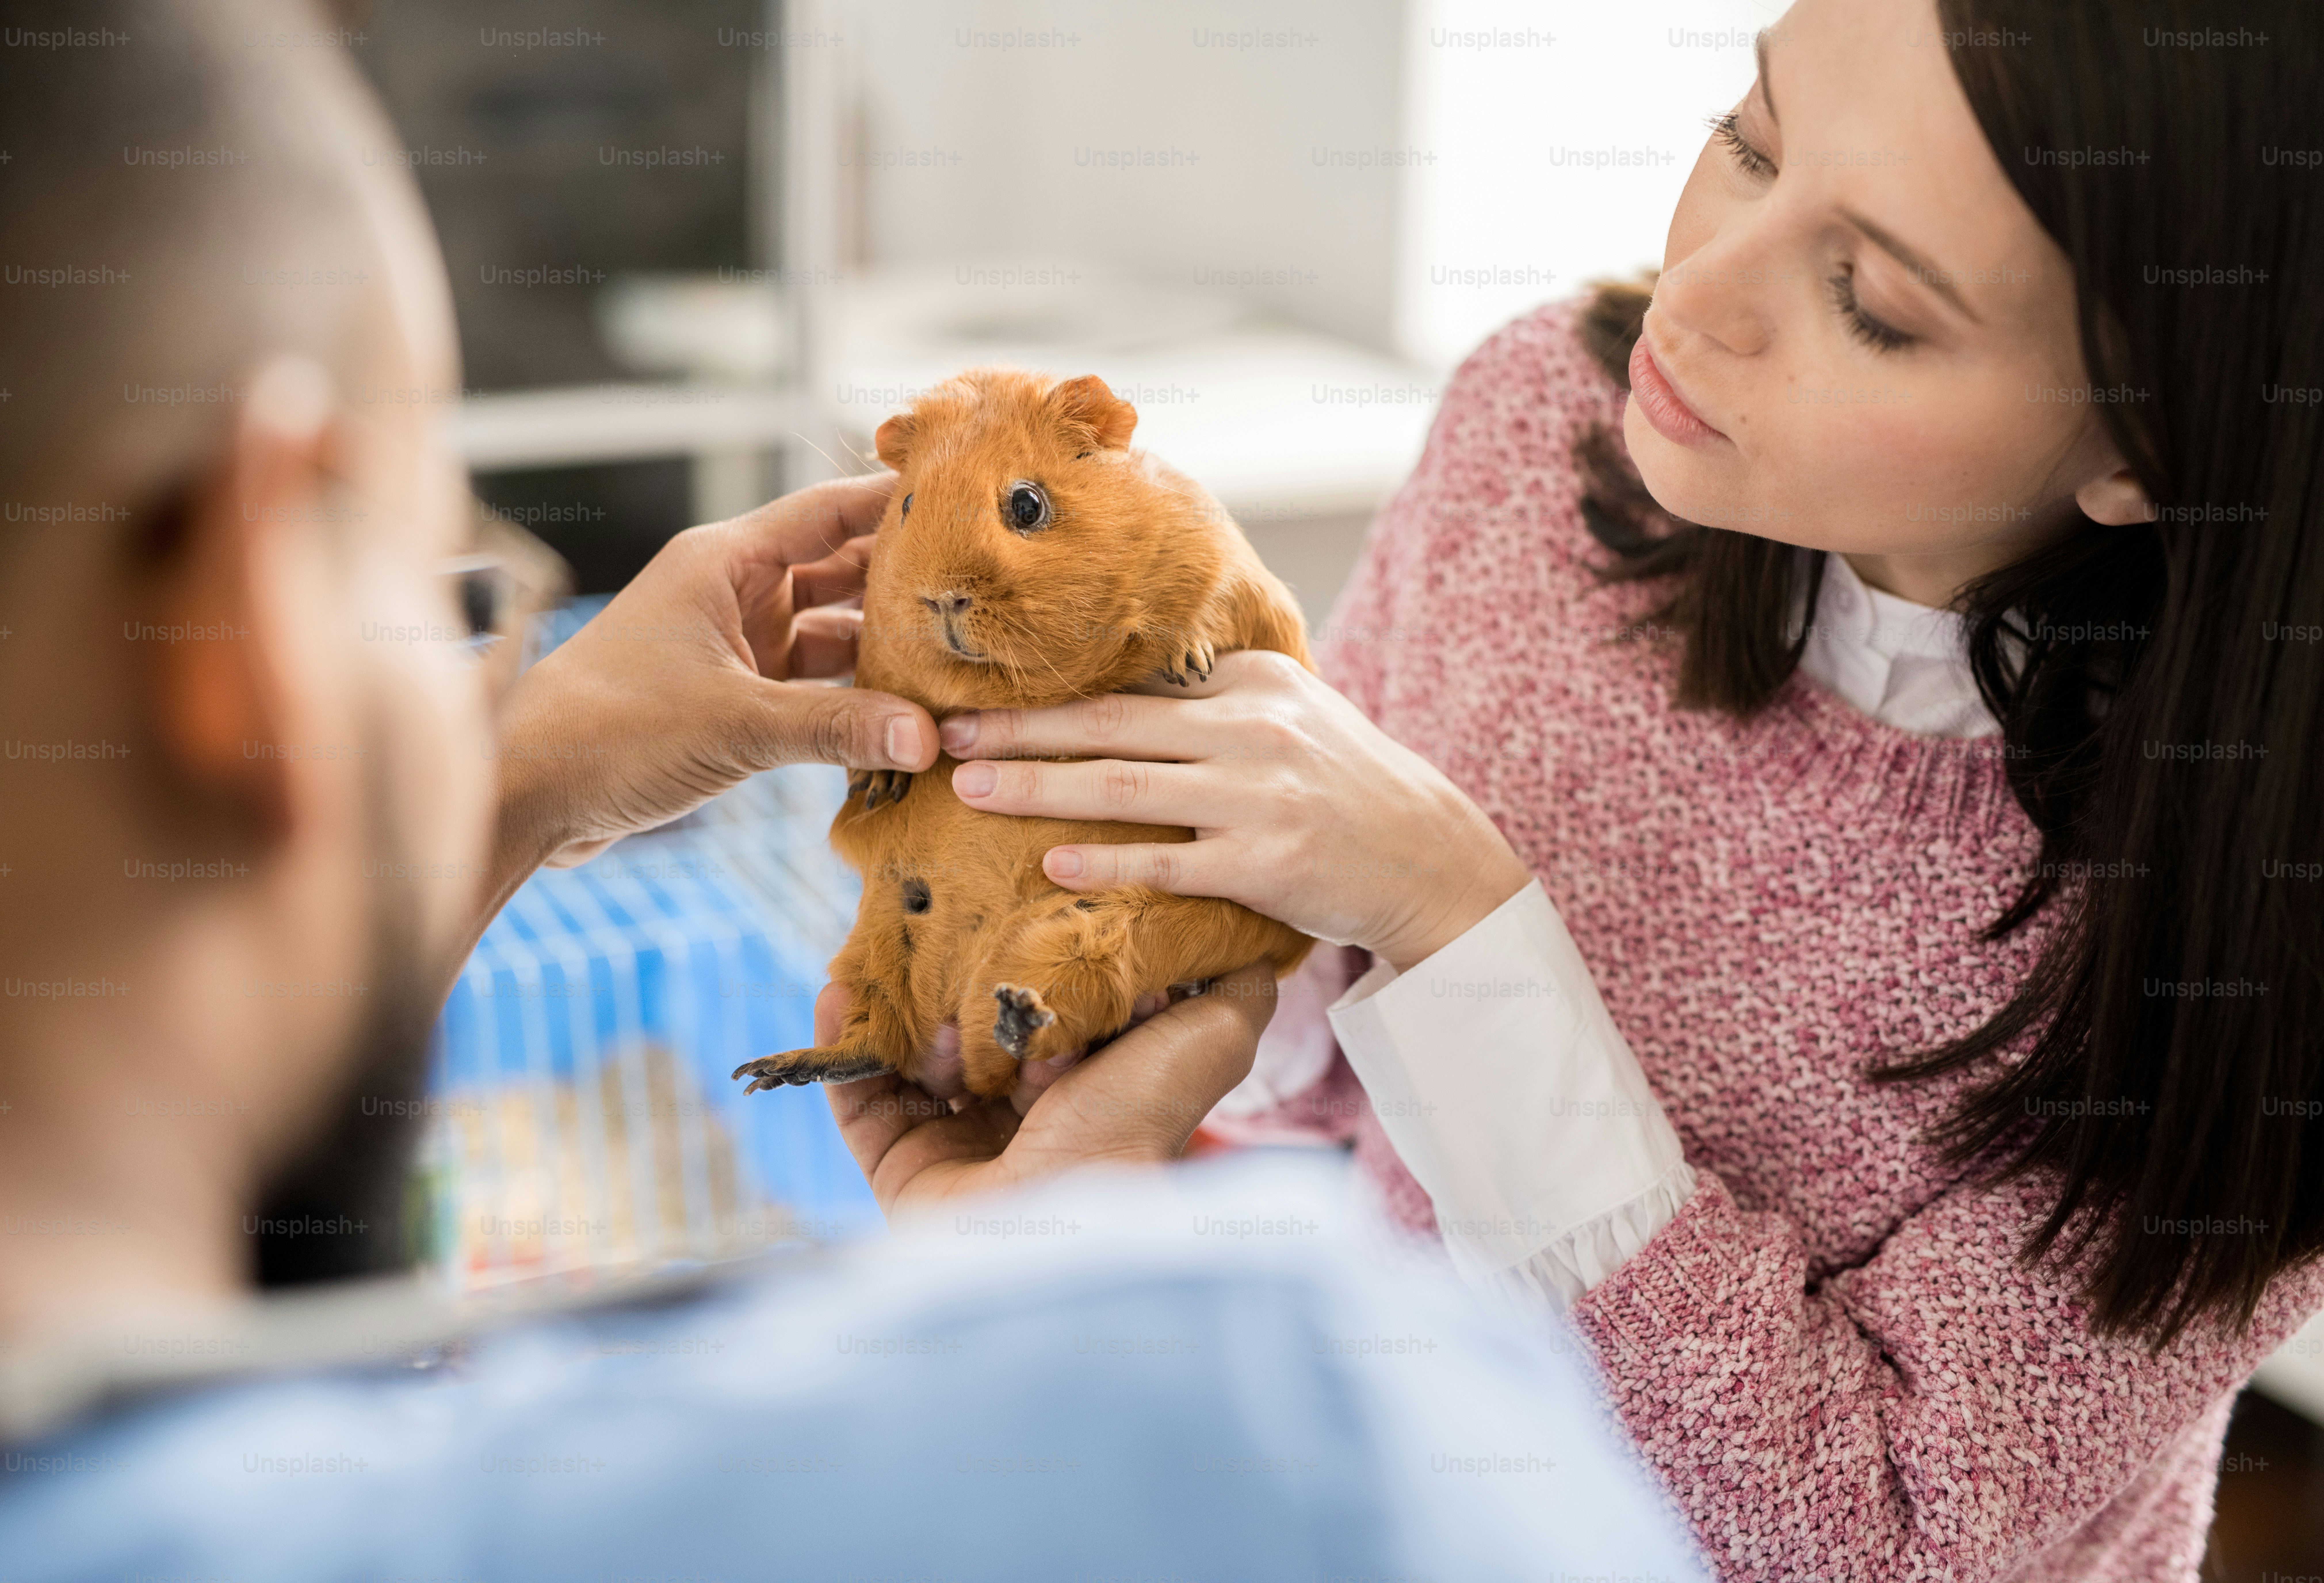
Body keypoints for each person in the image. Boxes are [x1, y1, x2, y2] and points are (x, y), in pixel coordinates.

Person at [0, 1, 1705, 1579]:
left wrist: (520, 787)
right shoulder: (1281, 1429)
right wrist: (1035, 1289)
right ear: (261, 614)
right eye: (448, 583)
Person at [849, 1, 2324, 1579]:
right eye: (1751, 139)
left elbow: (1866, 1543)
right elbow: (1329, 1068)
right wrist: (1068, 953)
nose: (1696, 294)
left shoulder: (2253, 918)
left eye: (1873, 302)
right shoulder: (1544, 419)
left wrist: (1460, 925)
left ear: (2154, 436)